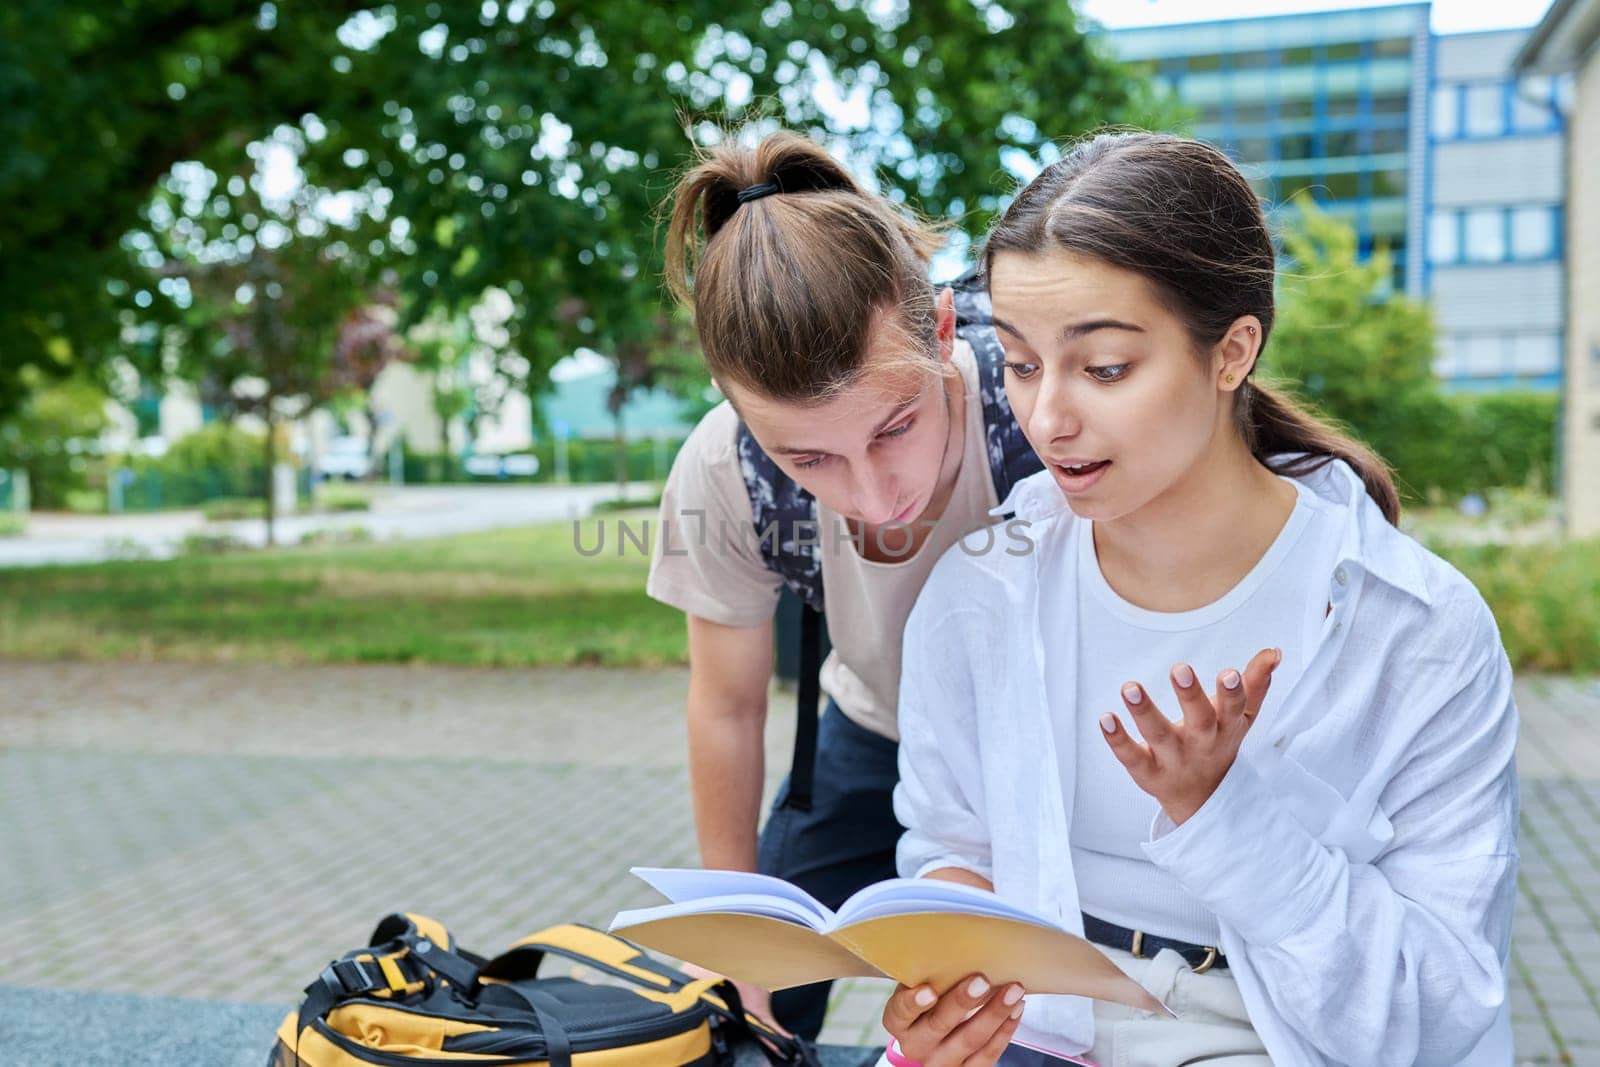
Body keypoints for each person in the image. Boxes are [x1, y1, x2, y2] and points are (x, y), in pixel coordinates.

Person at [880, 132, 1519, 1067]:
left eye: (1103, 368)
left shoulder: (1414, 629)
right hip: (1041, 1026)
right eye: (1019, 363)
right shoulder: (984, 587)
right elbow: (949, 839)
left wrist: (1224, 812)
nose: (1049, 418)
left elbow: (1439, 1005)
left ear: (1233, 353)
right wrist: (946, 983)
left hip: (1282, 1038)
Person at [647, 129, 1040, 1041]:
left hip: (1044, 737)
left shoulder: (1034, 412)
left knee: (1025, 1015)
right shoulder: (728, 468)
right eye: (809, 455)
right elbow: (729, 707)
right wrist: (733, 936)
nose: (876, 494)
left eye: (895, 425)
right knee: (741, 999)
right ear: (735, 401)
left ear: (941, 327)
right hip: (870, 729)